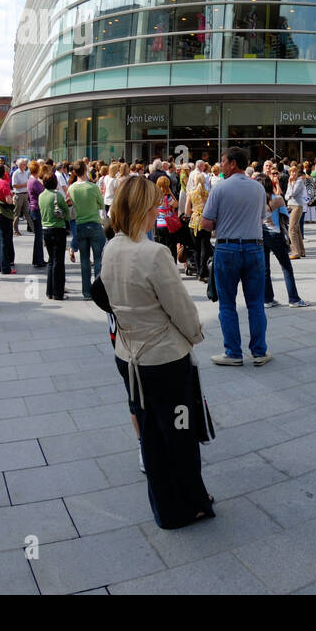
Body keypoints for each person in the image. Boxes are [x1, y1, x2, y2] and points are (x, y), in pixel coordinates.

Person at [99, 175, 213, 529]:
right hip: (163, 359)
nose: (156, 211)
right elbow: (180, 307)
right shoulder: (153, 253)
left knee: (150, 434)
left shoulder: (111, 247)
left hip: (128, 356)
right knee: (179, 435)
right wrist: (194, 335)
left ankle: (166, 506)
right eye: (153, 205)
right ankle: (187, 504)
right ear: (144, 209)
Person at [201, 147, 270, 367]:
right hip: (254, 248)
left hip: (227, 248)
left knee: (228, 304)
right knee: (255, 303)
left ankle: (233, 352)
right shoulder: (258, 188)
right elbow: (261, 218)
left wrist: (221, 223)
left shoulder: (220, 188)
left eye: (223, 161)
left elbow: (205, 223)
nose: (221, 165)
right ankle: (259, 352)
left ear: (233, 163)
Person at [258, 176, 308, 308]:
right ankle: (294, 299)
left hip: (260, 235)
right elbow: (285, 216)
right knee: (286, 267)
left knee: (265, 269)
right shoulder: (278, 199)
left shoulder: (254, 201)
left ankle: (267, 299)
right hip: (275, 234)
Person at [69, 162, 107, 297]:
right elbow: (101, 204)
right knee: (98, 259)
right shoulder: (92, 187)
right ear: (85, 170)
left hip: (80, 224)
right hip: (94, 224)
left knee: (84, 260)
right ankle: (98, 290)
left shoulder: (72, 188)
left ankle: (86, 291)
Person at [39, 173, 69, 300]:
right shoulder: (57, 195)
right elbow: (66, 213)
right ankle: (58, 292)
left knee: (51, 261)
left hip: (45, 229)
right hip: (58, 229)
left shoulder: (41, 196)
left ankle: (50, 291)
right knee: (58, 262)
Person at [185, 170, 210, 279]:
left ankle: (198, 271)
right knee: (205, 247)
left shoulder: (191, 193)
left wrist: (194, 210)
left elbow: (186, 211)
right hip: (205, 221)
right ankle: (204, 271)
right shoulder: (207, 194)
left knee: (196, 248)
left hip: (194, 221)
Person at [285, 165, 307, 260]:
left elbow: (293, 193)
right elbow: (286, 196)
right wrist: (289, 188)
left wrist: (290, 185)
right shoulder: (291, 182)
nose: (293, 174)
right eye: (292, 172)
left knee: (292, 229)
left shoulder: (299, 182)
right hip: (290, 206)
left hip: (297, 206)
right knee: (296, 229)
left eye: (295, 172)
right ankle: (301, 251)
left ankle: (295, 251)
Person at [27, 165, 46, 268]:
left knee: (38, 236)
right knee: (39, 236)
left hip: (34, 208)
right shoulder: (34, 181)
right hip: (36, 208)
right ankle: (38, 260)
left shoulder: (31, 180)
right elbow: (43, 191)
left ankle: (38, 259)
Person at [11, 158, 30, 235]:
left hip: (25, 194)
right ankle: (15, 229)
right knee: (17, 213)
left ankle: (33, 229)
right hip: (19, 194)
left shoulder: (25, 173)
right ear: (19, 165)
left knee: (27, 212)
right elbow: (14, 185)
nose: (25, 166)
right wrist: (23, 185)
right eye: (23, 164)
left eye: (25, 164)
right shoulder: (16, 173)